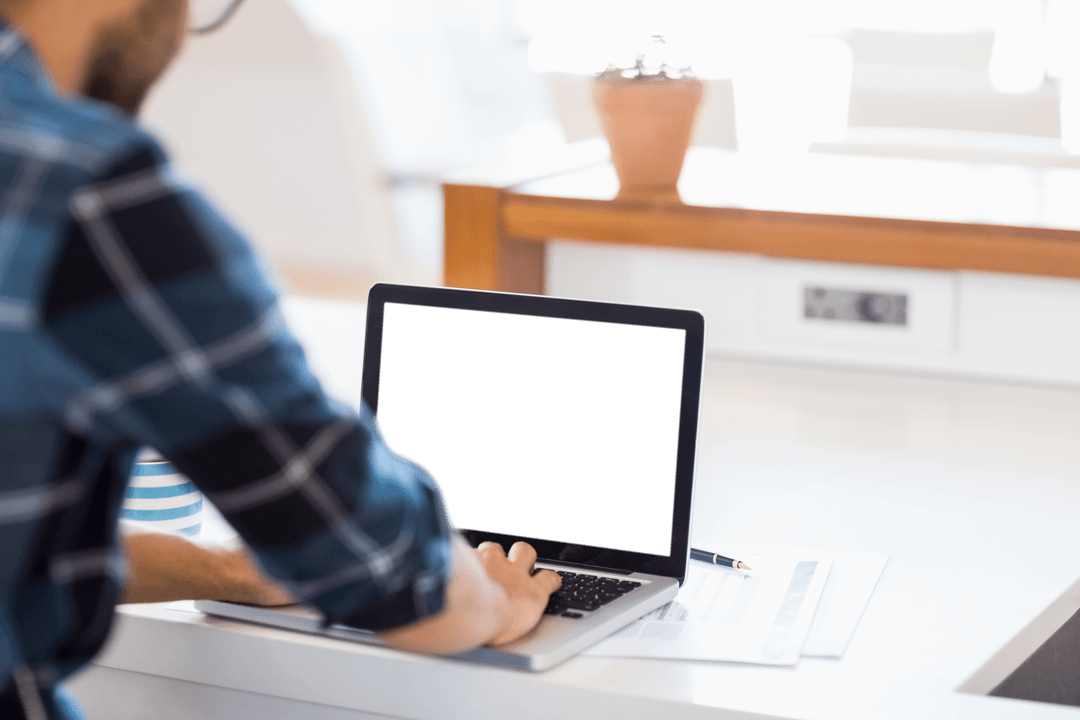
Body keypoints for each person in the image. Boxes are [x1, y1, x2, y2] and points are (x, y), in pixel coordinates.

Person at [0, 0, 562, 717]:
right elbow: (392, 578)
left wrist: (229, 572)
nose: (182, 30)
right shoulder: (86, 187)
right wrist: (493, 603)